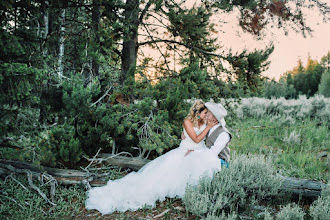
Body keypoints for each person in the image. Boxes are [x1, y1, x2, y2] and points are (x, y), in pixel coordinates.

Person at [85, 100, 220, 215]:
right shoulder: (188, 122)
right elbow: (196, 139)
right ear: (197, 112)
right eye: (205, 113)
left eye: (208, 113)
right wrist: (206, 128)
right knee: (161, 177)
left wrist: (202, 129)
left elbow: (199, 137)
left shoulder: (202, 122)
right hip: (185, 151)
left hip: (197, 151)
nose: (207, 115)